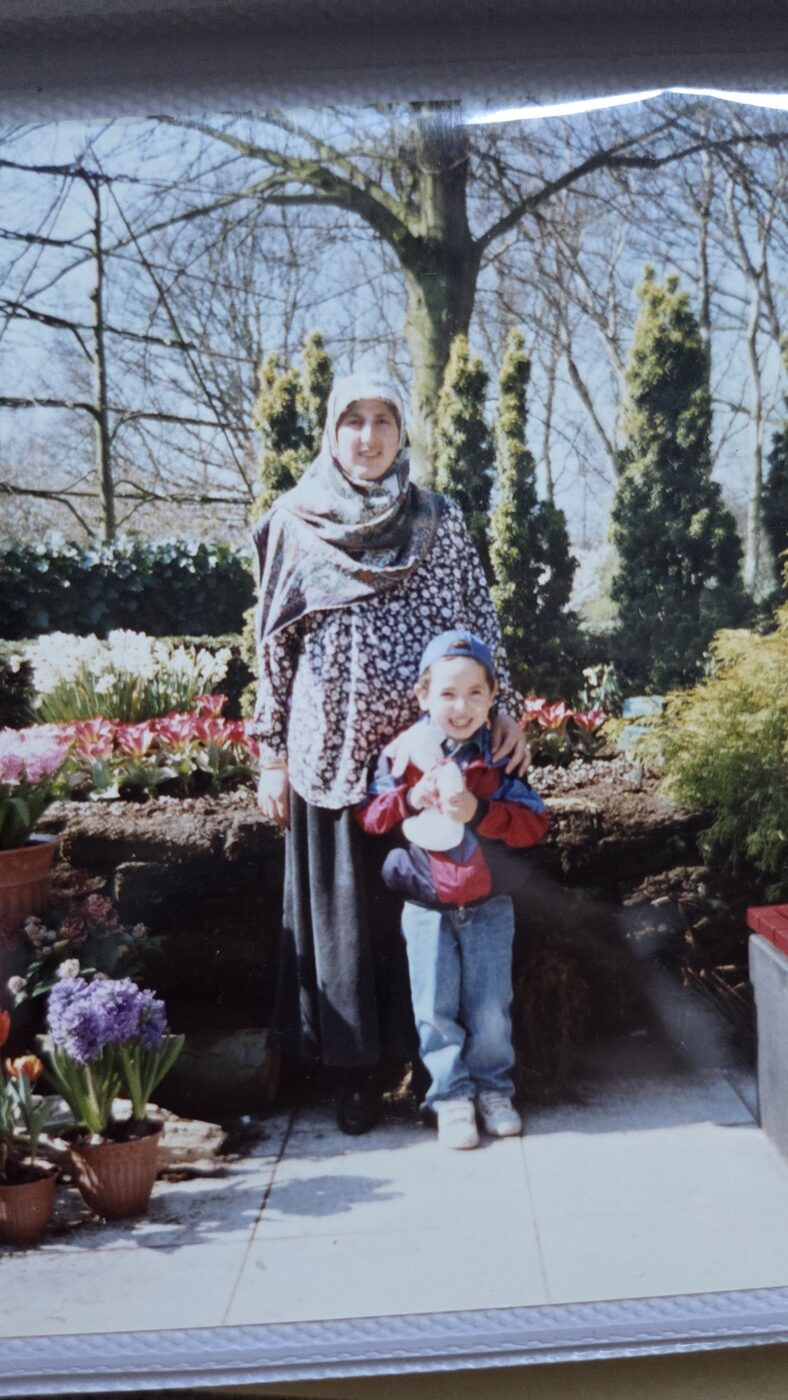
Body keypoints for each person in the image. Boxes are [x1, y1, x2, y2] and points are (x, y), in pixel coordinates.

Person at [251, 373, 528, 1135]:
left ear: (404, 432)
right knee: (348, 923)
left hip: (432, 758)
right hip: (332, 756)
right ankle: (358, 1079)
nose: (368, 437)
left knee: (428, 912)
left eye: (384, 420)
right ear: (331, 434)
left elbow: (481, 622)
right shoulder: (294, 522)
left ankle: (438, 1072)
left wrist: (505, 710)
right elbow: (273, 646)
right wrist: (271, 753)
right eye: (352, 421)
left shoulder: (440, 519)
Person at [355, 630, 549, 1150]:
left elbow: (534, 824)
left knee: (490, 1007)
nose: (460, 707)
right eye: (446, 694)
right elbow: (370, 818)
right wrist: (408, 799)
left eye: (474, 694)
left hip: (489, 905)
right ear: (423, 697)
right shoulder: (403, 756)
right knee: (434, 1007)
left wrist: (481, 812)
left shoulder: (501, 757)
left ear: (491, 700)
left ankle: (493, 1091)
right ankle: (450, 1097)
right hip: (426, 906)